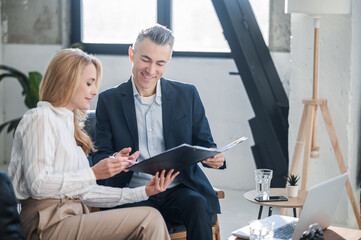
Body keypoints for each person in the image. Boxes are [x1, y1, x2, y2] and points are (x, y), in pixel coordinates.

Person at [8, 48, 179, 240]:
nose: (95, 91)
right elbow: (37, 185)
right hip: (46, 223)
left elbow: (87, 192)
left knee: (149, 218)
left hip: (72, 218)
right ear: (68, 81)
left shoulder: (69, 127)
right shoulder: (40, 118)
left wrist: (143, 192)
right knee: (149, 219)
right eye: (89, 83)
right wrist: (94, 173)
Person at [93, 24, 225, 240]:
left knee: (198, 205)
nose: (151, 70)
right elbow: (99, 156)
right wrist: (115, 160)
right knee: (144, 218)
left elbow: (205, 144)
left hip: (178, 188)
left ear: (168, 62)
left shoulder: (187, 95)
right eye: (145, 59)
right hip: (133, 192)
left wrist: (215, 156)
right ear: (131, 54)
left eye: (160, 63)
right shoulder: (109, 101)